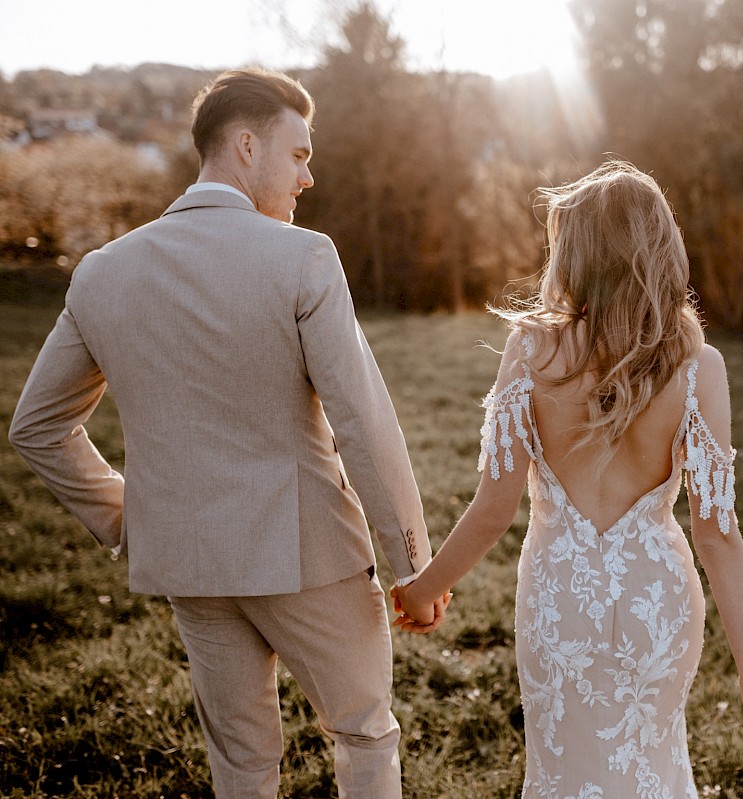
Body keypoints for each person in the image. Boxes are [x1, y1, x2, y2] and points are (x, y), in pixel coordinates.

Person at [9, 67, 448, 799]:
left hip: (191, 564)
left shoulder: (101, 272)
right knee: (364, 733)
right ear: (247, 145)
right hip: (310, 557)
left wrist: (129, 516)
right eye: (300, 154)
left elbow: (37, 427)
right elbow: (363, 424)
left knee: (240, 766)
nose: (309, 176)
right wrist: (414, 567)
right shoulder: (303, 257)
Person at [393, 160, 743, 797]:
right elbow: (717, 538)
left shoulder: (531, 350)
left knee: (564, 773)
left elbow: (494, 510)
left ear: (575, 255)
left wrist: (422, 590)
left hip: (557, 598)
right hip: (655, 601)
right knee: (652, 765)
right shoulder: (697, 367)